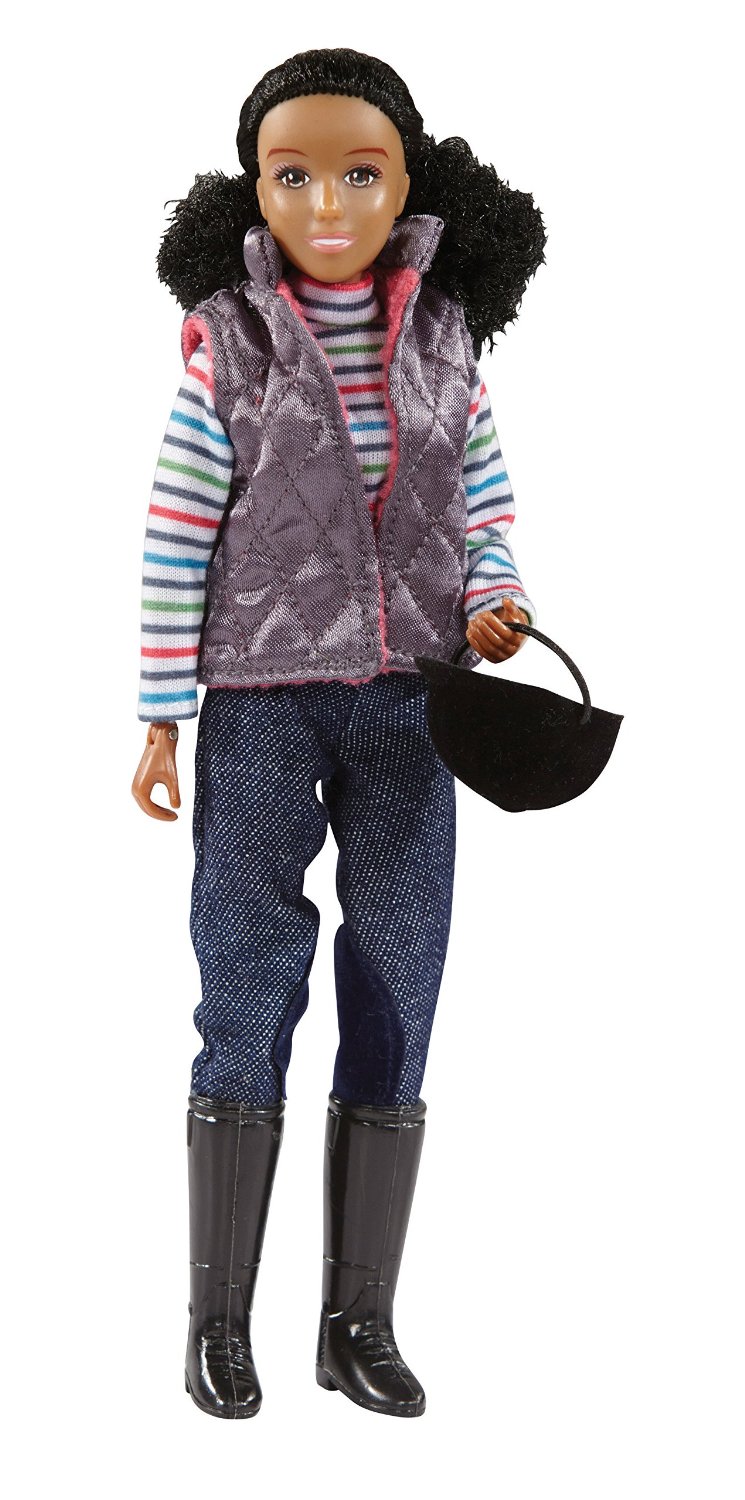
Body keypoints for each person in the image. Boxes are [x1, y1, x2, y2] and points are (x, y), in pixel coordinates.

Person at [132, 47, 545, 1421]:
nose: (326, 203)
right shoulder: (230, 346)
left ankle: (356, 1322)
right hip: (261, 697)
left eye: (359, 175)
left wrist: (492, 603)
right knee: (245, 979)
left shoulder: (447, 343)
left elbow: (485, 510)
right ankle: (219, 1324)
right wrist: (160, 713)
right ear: (252, 191)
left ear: (409, 182)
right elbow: (177, 530)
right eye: (292, 175)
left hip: (414, 703)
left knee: (400, 975)